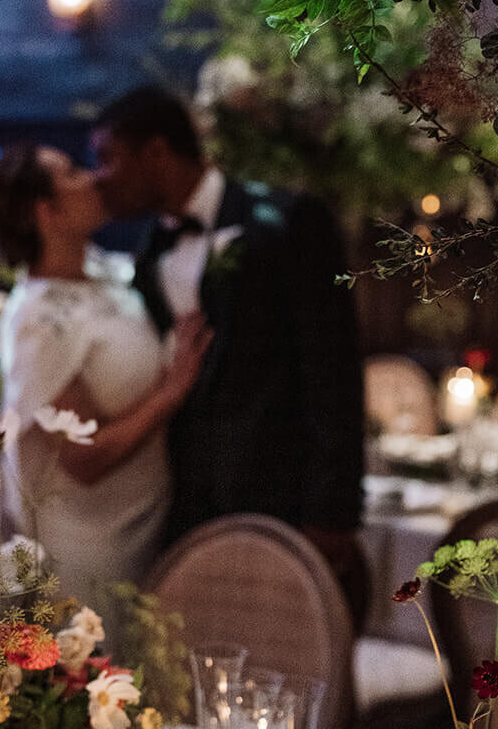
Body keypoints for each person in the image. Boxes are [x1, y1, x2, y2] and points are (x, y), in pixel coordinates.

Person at [92, 85, 368, 628]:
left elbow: (335, 374)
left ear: (155, 152)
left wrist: (334, 513)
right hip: (185, 507)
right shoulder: (151, 248)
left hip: (280, 499)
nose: (101, 175)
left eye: (109, 157)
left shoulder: (290, 222)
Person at [0, 145, 210, 604]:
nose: (93, 179)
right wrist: (171, 394)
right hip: (88, 548)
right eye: (72, 173)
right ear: (46, 212)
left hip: (148, 524)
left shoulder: (110, 271)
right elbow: (82, 458)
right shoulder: (38, 318)